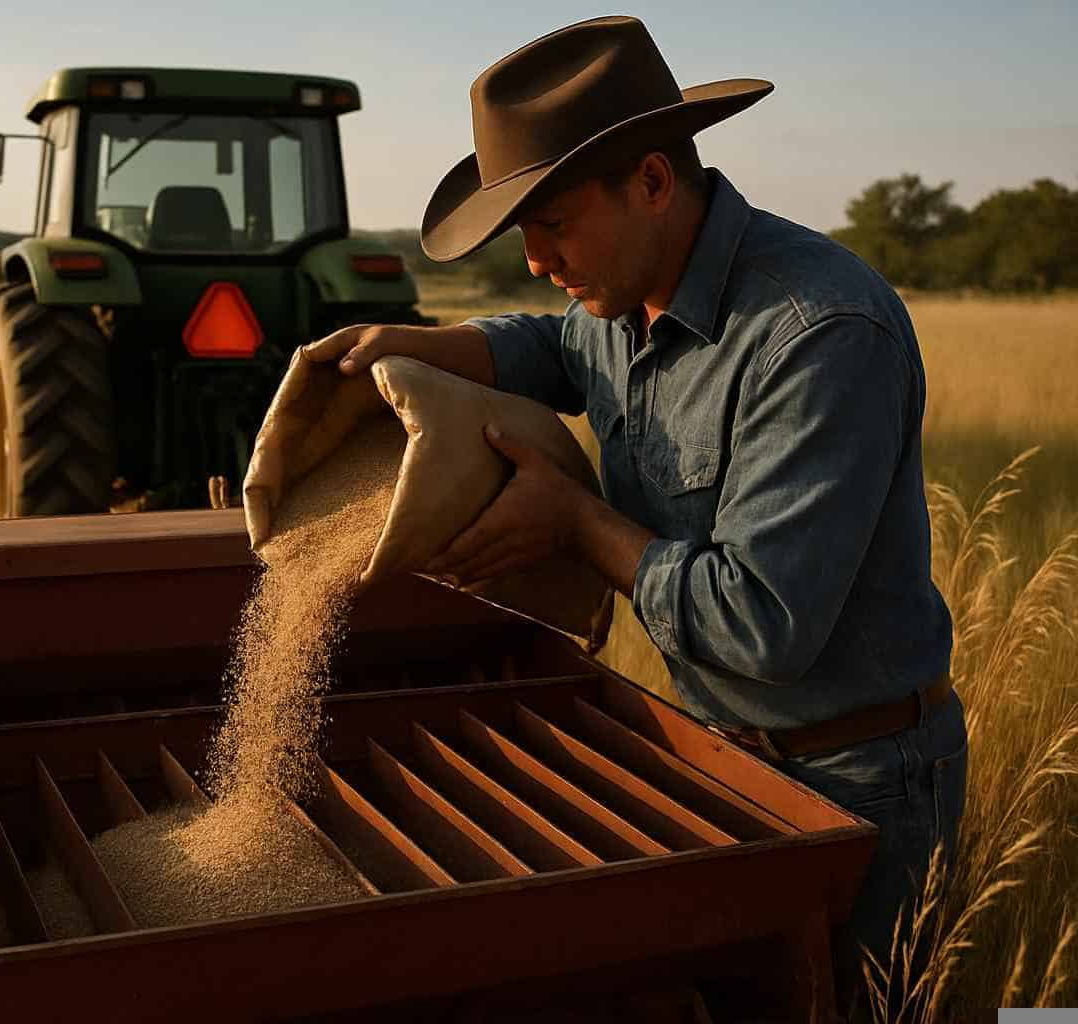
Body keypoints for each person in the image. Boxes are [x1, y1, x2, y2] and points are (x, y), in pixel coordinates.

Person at [304, 14, 968, 1010]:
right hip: (711, 754)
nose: (536, 258)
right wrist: (417, 343)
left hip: (856, 783)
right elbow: (550, 346)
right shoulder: (616, 300)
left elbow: (763, 625)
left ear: (654, 182)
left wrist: (575, 522)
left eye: (554, 223)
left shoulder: (817, 334)